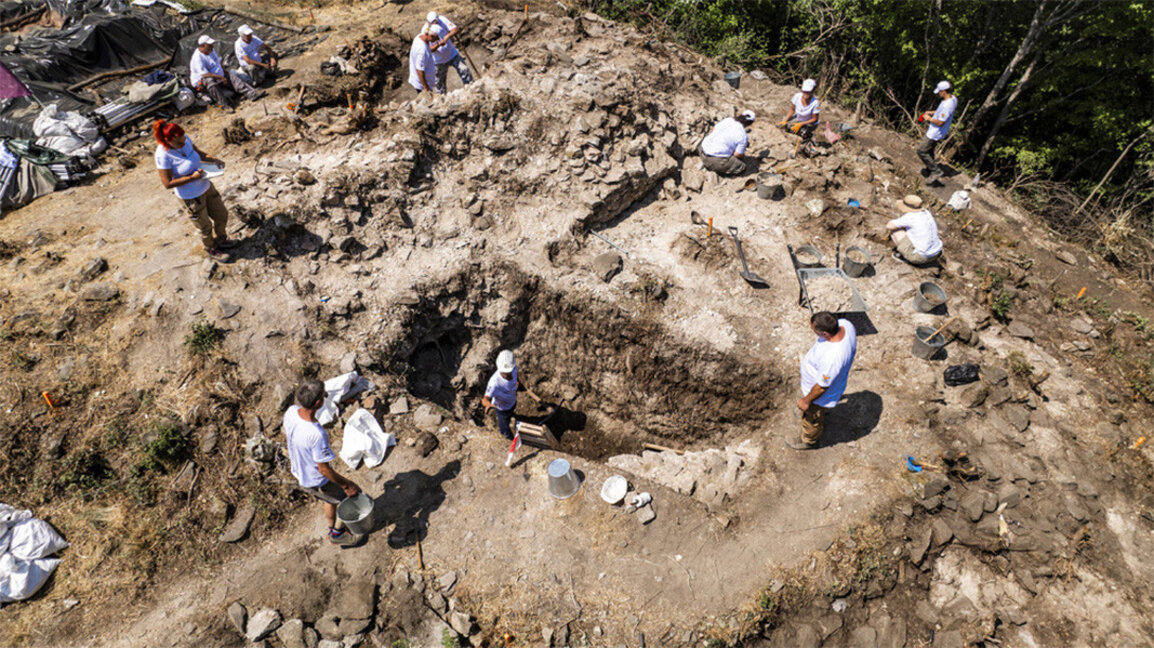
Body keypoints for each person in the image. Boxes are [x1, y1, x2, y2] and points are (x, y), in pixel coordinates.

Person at [284, 379, 362, 547]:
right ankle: (337, 534)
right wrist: (346, 485)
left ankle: (331, 527)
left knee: (329, 499)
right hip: (317, 479)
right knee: (347, 499)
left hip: (299, 471)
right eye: (324, 395)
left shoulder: (291, 412)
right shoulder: (316, 434)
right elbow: (324, 469)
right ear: (318, 403)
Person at [153, 119, 237, 260]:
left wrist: (214, 160)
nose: (183, 143)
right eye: (179, 143)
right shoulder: (162, 155)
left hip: (206, 187)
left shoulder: (185, 140)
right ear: (168, 141)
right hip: (191, 197)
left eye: (184, 139)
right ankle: (211, 249)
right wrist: (192, 177)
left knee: (221, 215)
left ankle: (222, 239)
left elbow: (199, 154)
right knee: (205, 227)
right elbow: (167, 183)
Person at [788, 311, 858, 450]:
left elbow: (821, 387)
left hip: (820, 396)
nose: (812, 330)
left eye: (815, 330)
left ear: (825, 333)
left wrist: (806, 401)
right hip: (829, 382)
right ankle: (821, 412)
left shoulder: (832, 358)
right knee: (818, 410)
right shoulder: (845, 324)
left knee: (812, 418)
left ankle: (809, 441)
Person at [190, 34, 263, 110]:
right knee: (210, 82)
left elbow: (218, 61)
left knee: (232, 78)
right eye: (209, 45)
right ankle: (223, 105)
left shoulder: (210, 50)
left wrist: (224, 72)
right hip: (202, 81)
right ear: (203, 46)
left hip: (217, 76)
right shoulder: (198, 58)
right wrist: (221, 77)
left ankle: (251, 93)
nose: (212, 46)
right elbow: (205, 74)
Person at [917, 80, 957, 184]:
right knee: (929, 151)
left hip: (936, 131)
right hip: (938, 131)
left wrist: (928, 118)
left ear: (944, 91)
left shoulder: (947, 104)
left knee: (921, 150)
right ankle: (930, 170)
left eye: (939, 92)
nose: (938, 94)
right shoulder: (953, 99)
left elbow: (940, 122)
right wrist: (932, 112)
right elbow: (942, 112)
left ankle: (936, 171)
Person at [482, 350, 527, 440]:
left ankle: (512, 418)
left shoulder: (514, 369)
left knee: (511, 414)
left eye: (508, 372)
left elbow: (515, 378)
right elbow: (485, 399)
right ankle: (509, 440)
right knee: (505, 432)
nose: (507, 374)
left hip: (512, 402)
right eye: (504, 372)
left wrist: (517, 385)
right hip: (502, 409)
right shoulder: (494, 382)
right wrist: (489, 405)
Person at [426, 11, 474, 93]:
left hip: (452, 54)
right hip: (438, 61)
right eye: (433, 22)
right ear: (428, 22)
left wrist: (446, 37)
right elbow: (429, 49)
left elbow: (455, 29)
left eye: (437, 21)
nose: (436, 23)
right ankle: (442, 100)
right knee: (439, 84)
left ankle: (472, 88)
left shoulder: (442, 19)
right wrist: (438, 45)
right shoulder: (425, 31)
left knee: (464, 70)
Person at [887, 194, 942, 264]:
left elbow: (889, 226)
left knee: (895, 231)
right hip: (936, 253)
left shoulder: (911, 217)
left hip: (921, 257)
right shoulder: (927, 213)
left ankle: (903, 256)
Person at [699, 110, 756, 176]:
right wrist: (742, 154)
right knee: (742, 166)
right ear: (750, 123)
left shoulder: (728, 120)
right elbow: (737, 154)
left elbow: (713, 130)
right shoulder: (743, 136)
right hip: (712, 161)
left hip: (702, 148)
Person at [407, 25, 438, 94]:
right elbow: (420, 71)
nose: (437, 40)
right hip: (421, 85)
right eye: (436, 38)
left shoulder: (419, 37)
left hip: (423, 82)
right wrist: (426, 88)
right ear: (430, 36)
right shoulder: (422, 50)